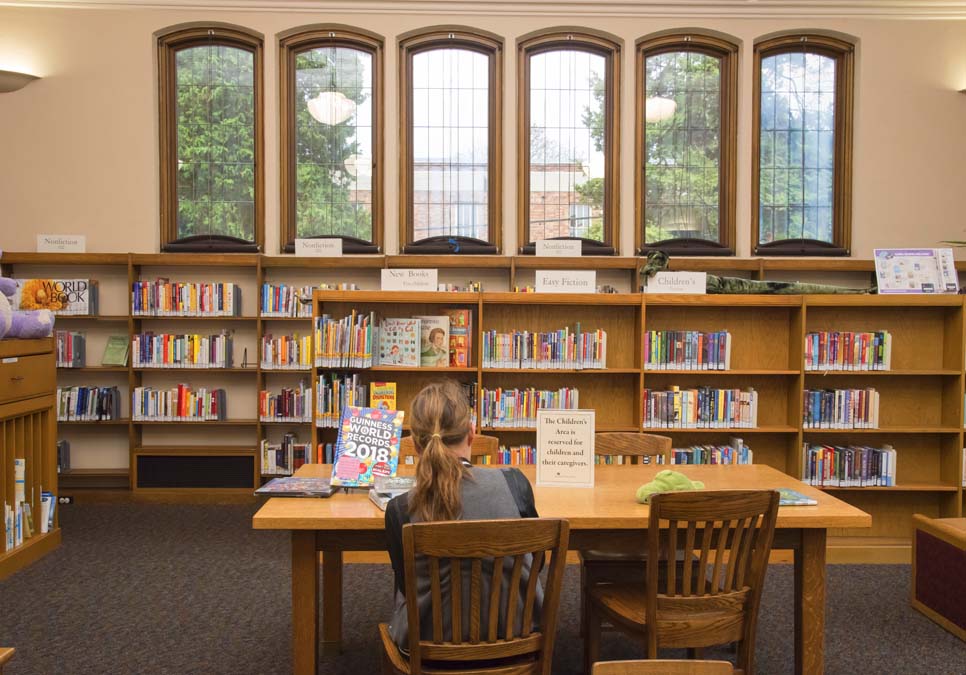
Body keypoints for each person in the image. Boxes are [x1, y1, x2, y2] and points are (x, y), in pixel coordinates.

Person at [385, 380, 539, 650]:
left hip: (431, 645)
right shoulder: (515, 485)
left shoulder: (400, 509)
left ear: (414, 445)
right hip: (517, 637)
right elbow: (537, 562)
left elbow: (406, 584)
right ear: (471, 433)